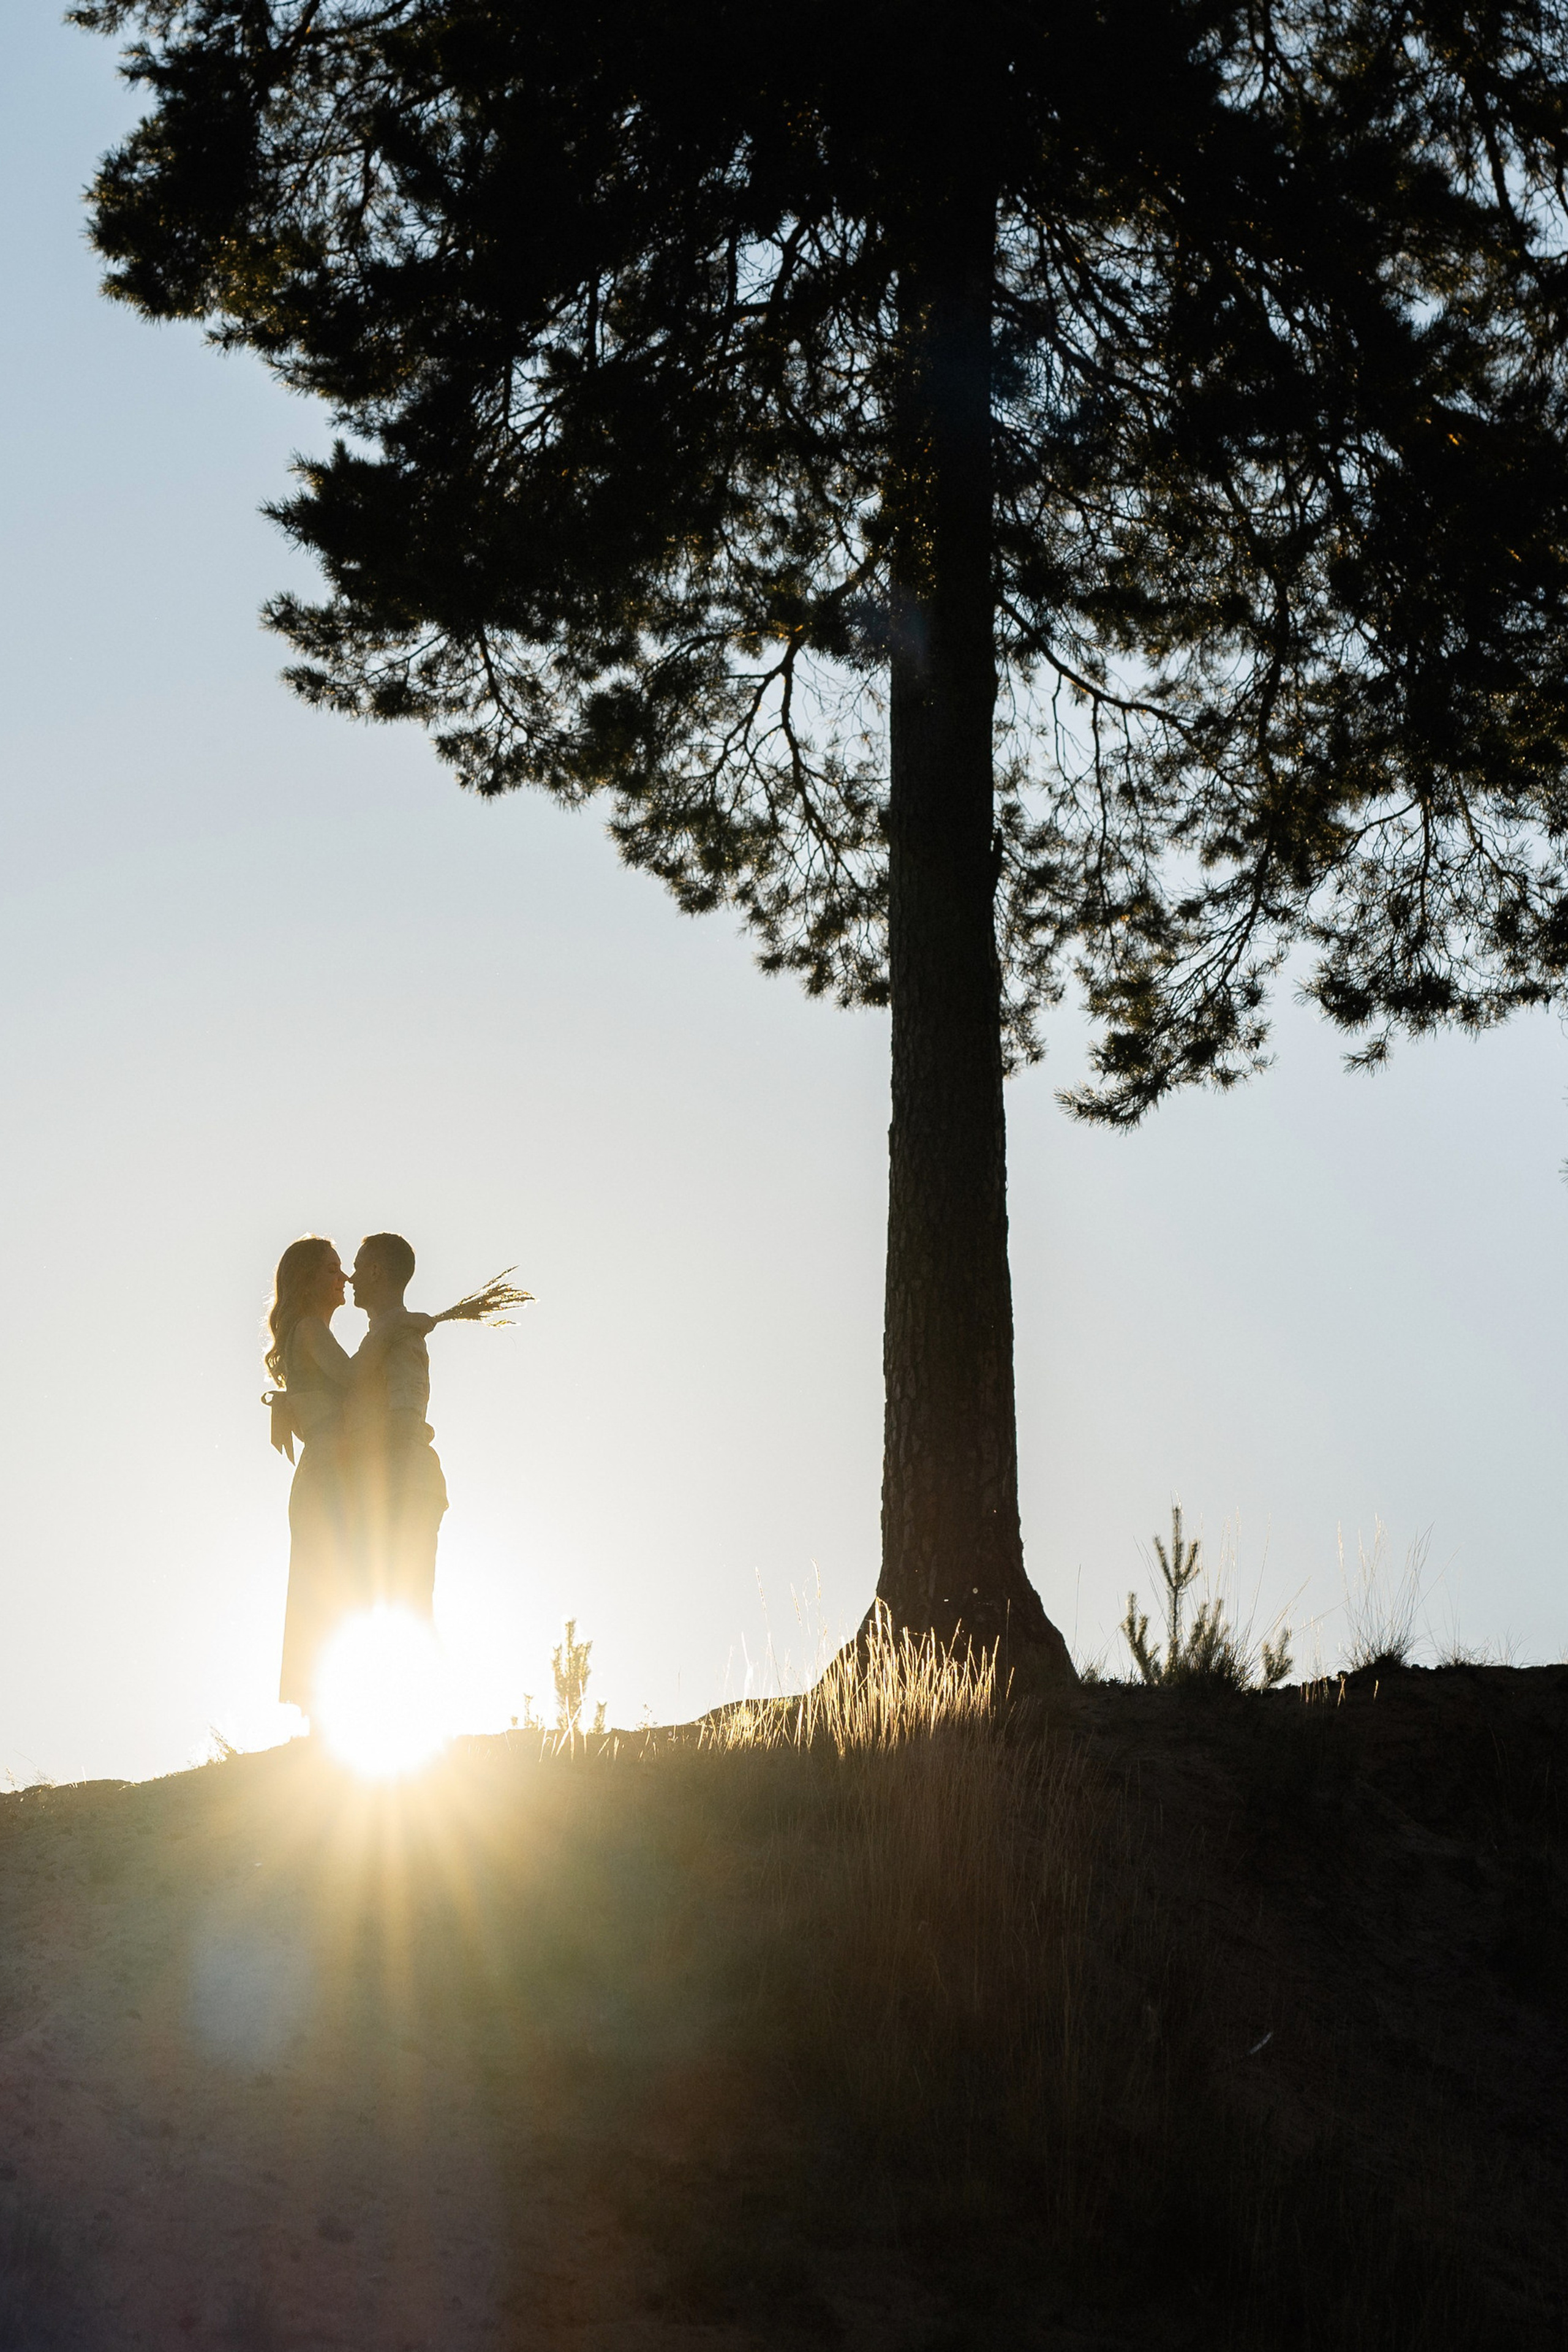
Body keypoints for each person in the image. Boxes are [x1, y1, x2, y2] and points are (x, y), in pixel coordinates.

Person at [263, 1235, 361, 1713]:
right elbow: (357, 1383)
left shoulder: (307, 1334)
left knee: (332, 1585)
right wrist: (395, 1332)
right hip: (327, 1475)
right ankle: (329, 1710)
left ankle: (329, 1712)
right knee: (335, 1583)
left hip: (327, 1472)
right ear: (306, 1281)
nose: (344, 1278)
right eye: (331, 1269)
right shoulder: (309, 1331)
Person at [344, 1232, 449, 1619]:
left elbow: (407, 1414)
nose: (350, 1279)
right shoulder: (385, 1334)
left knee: (408, 1608)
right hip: (395, 1487)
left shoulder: (403, 1337)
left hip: (405, 1486)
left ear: (375, 1272)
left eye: (357, 1269)